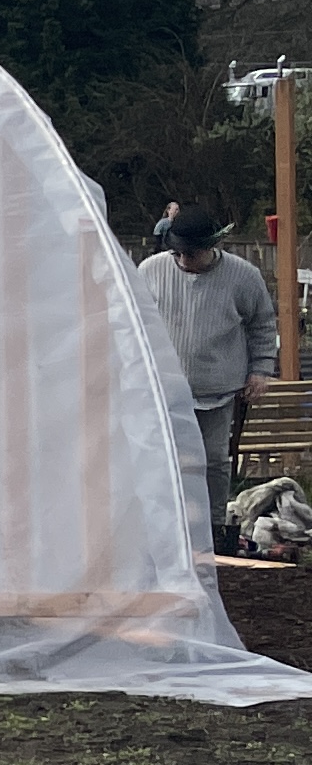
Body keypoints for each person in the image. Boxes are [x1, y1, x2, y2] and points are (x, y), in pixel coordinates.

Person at [138, 210, 277, 543]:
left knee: (214, 461)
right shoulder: (150, 271)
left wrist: (260, 370)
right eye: (178, 253)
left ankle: (215, 529)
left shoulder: (244, 276)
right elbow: (133, 322)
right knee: (167, 460)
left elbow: (262, 325)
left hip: (218, 389)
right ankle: (166, 529)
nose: (184, 260)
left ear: (215, 245)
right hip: (165, 391)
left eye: (192, 253)